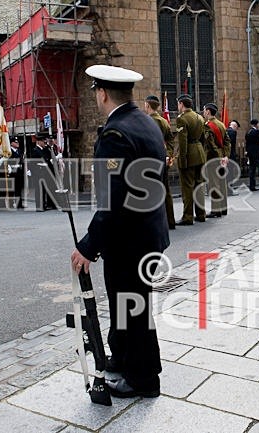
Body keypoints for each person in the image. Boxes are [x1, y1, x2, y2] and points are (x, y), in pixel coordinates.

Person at [71, 64, 168, 398]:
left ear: (101, 93)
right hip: (146, 232)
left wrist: (88, 244)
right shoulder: (145, 123)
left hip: (130, 238)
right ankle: (125, 358)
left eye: (95, 92)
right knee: (127, 303)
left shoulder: (115, 134)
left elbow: (113, 200)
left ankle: (143, 379)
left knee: (131, 306)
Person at [144, 95, 176, 228]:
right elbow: (171, 140)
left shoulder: (147, 121)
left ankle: (155, 223)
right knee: (166, 191)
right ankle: (170, 221)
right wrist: (168, 155)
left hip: (152, 160)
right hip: (163, 160)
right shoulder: (163, 121)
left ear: (147, 105)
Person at [175, 94, 206, 225]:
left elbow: (182, 142)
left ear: (182, 104)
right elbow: (203, 138)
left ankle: (188, 217)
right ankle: (201, 214)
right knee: (199, 185)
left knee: (187, 187)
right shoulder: (200, 117)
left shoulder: (182, 119)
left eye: (178, 104)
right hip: (200, 153)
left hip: (189, 155)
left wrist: (182, 160)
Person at [202, 102, 231, 217]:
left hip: (213, 159)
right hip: (222, 158)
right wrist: (225, 156)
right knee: (222, 184)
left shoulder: (208, 125)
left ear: (208, 111)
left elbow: (210, 144)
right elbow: (227, 142)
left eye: (204, 110)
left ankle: (216, 210)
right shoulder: (221, 124)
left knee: (214, 184)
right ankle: (223, 208)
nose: (203, 112)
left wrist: (219, 156)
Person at [32, 133, 57, 211]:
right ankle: (39, 206)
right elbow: (33, 162)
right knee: (39, 190)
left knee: (44, 189)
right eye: (43, 142)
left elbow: (47, 158)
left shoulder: (44, 150)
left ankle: (45, 204)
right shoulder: (35, 150)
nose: (44, 143)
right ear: (39, 142)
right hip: (38, 173)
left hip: (45, 172)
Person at [9, 138, 25, 209]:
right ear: (11, 143)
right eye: (15, 142)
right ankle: (11, 203)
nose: (17, 143)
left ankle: (19, 203)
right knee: (13, 189)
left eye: (17, 142)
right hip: (12, 172)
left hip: (20, 171)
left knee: (19, 188)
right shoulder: (9, 151)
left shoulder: (19, 151)